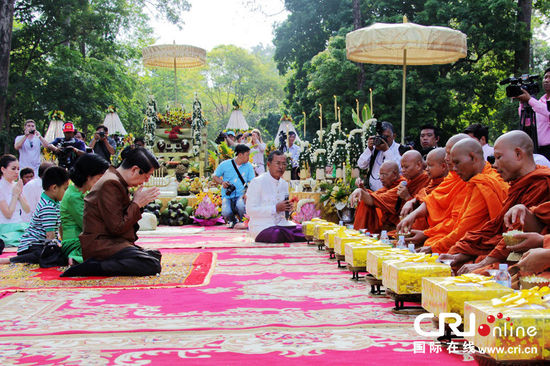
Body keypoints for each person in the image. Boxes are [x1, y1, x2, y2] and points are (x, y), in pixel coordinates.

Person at [439, 130, 550, 274]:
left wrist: (483, 263)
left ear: (518, 154)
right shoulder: (517, 185)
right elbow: (496, 227)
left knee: (476, 274)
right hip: (507, 250)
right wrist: (462, 252)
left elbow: (515, 235)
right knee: (457, 263)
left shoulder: (542, 183)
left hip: (528, 255)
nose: (495, 165)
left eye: (498, 157)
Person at [61, 147, 162, 277]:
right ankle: (94, 267)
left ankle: (100, 264)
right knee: (151, 264)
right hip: (102, 244)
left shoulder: (116, 180)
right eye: (146, 176)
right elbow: (117, 227)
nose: (146, 181)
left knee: (154, 255)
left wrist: (137, 204)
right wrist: (137, 204)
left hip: (111, 241)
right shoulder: (111, 183)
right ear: (135, 170)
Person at [403, 139, 509, 254]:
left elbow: (464, 229)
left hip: (481, 245)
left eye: (457, 162)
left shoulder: (485, 184)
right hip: (463, 238)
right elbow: (435, 200)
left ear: (473, 158)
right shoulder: (465, 177)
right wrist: (425, 232)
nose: (452, 167)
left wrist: (432, 246)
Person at [397, 134, 471, 247]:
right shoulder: (453, 177)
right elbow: (433, 199)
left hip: (461, 240)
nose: (446, 158)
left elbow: (461, 224)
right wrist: (413, 211)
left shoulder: (480, 183)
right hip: (440, 234)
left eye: (450, 154)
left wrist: (427, 234)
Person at [0, 166, 69, 264]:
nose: (66, 193)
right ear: (54, 188)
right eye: (65, 189)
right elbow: (50, 235)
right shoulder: (48, 206)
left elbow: (59, 227)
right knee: (44, 256)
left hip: (41, 243)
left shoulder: (53, 201)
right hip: (32, 245)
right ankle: (10, 260)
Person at [351, 150, 429, 232]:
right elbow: (378, 198)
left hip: (417, 230)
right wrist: (361, 190)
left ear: (419, 165)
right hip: (399, 227)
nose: (402, 171)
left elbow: (428, 208)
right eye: (402, 167)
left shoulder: (428, 181)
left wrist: (408, 198)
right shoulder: (405, 183)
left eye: (406, 167)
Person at [61, 154, 110, 265]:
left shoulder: (83, 192)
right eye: (99, 178)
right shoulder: (73, 196)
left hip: (87, 239)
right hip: (76, 243)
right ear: (88, 176)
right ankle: (76, 258)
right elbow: (88, 225)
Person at [246, 150, 305, 242]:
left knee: (306, 229)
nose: (281, 167)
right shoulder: (257, 182)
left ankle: (295, 234)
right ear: (268, 165)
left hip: (281, 225)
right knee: (277, 234)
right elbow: (250, 211)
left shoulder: (284, 184)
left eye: (284, 164)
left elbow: (282, 214)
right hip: (262, 227)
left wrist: (287, 208)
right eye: (278, 163)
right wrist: (275, 208)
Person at [400, 147, 448, 231]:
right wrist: (412, 200)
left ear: (443, 166)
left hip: (435, 231)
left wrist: (409, 199)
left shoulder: (448, 184)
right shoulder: (432, 182)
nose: (426, 169)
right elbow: (424, 196)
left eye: (430, 165)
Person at [351, 161, 403, 231]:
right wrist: (362, 188)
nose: (381, 178)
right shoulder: (387, 187)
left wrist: (360, 191)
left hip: (397, 229)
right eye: (380, 175)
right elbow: (375, 197)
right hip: (386, 227)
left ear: (395, 174)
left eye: (384, 175)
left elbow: (373, 200)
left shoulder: (401, 186)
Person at [212, 144, 255, 228]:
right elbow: (214, 176)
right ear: (240, 155)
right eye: (247, 155)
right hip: (227, 195)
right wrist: (222, 182)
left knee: (240, 206)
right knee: (225, 211)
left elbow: (253, 182)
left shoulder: (249, 166)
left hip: (241, 194)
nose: (248, 157)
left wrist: (247, 193)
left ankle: (244, 222)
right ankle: (233, 221)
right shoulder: (225, 164)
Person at [515, 67, 550, 160]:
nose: (547, 80)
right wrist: (523, 102)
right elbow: (527, 122)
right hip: (539, 149)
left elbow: (548, 112)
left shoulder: (536, 103)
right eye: (545, 77)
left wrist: (530, 100)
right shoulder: (540, 101)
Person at [357, 121, 402, 191]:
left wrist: (386, 150)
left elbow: (397, 168)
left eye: (387, 136)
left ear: (394, 136)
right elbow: (361, 165)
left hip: (390, 192)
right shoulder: (375, 148)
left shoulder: (399, 149)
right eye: (381, 136)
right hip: (372, 192)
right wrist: (369, 149)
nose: (383, 139)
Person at [0, 155, 30, 250]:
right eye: (13, 169)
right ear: (3, 169)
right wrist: (15, 195)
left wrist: (19, 194)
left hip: (19, 224)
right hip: (6, 228)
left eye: (18, 169)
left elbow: (27, 209)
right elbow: (8, 214)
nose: (17, 172)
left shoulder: (16, 185)